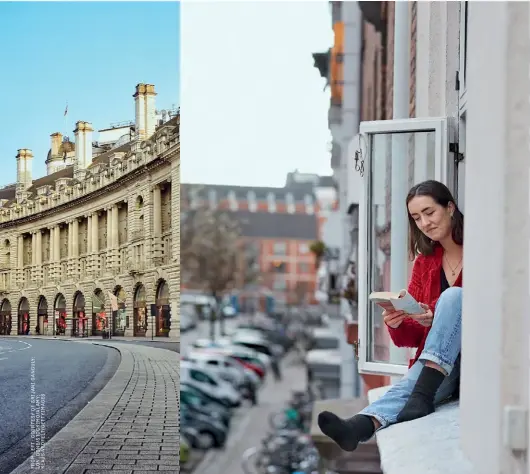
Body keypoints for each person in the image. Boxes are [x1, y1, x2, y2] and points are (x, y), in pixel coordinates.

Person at [317, 180, 464, 452]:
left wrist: (443, 316)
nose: (424, 223)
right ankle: (360, 425)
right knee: (415, 385)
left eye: (429, 212)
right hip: (443, 370)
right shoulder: (425, 262)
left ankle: (370, 421)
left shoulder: (481, 251)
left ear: (450, 207)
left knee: (454, 298)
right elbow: (412, 336)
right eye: (416, 218)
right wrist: (397, 323)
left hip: (475, 364)